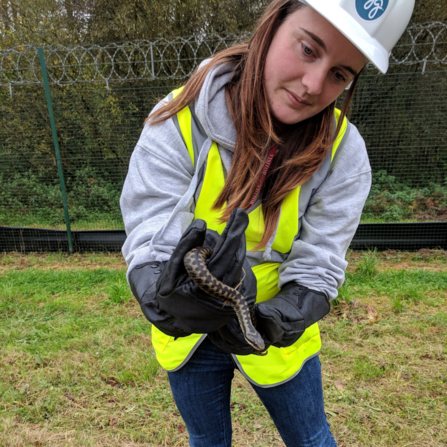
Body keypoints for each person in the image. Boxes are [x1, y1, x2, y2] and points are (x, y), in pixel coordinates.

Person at [120, 0, 415, 445]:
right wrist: (153, 281)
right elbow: (150, 230)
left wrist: (287, 313)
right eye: (308, 49)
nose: (313, 85)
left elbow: (322, 260)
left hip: (273, 337)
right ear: (273, 23)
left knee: (311, 439)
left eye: (340, 74)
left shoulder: (344, 154)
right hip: (186, 334)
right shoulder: (178, 114)